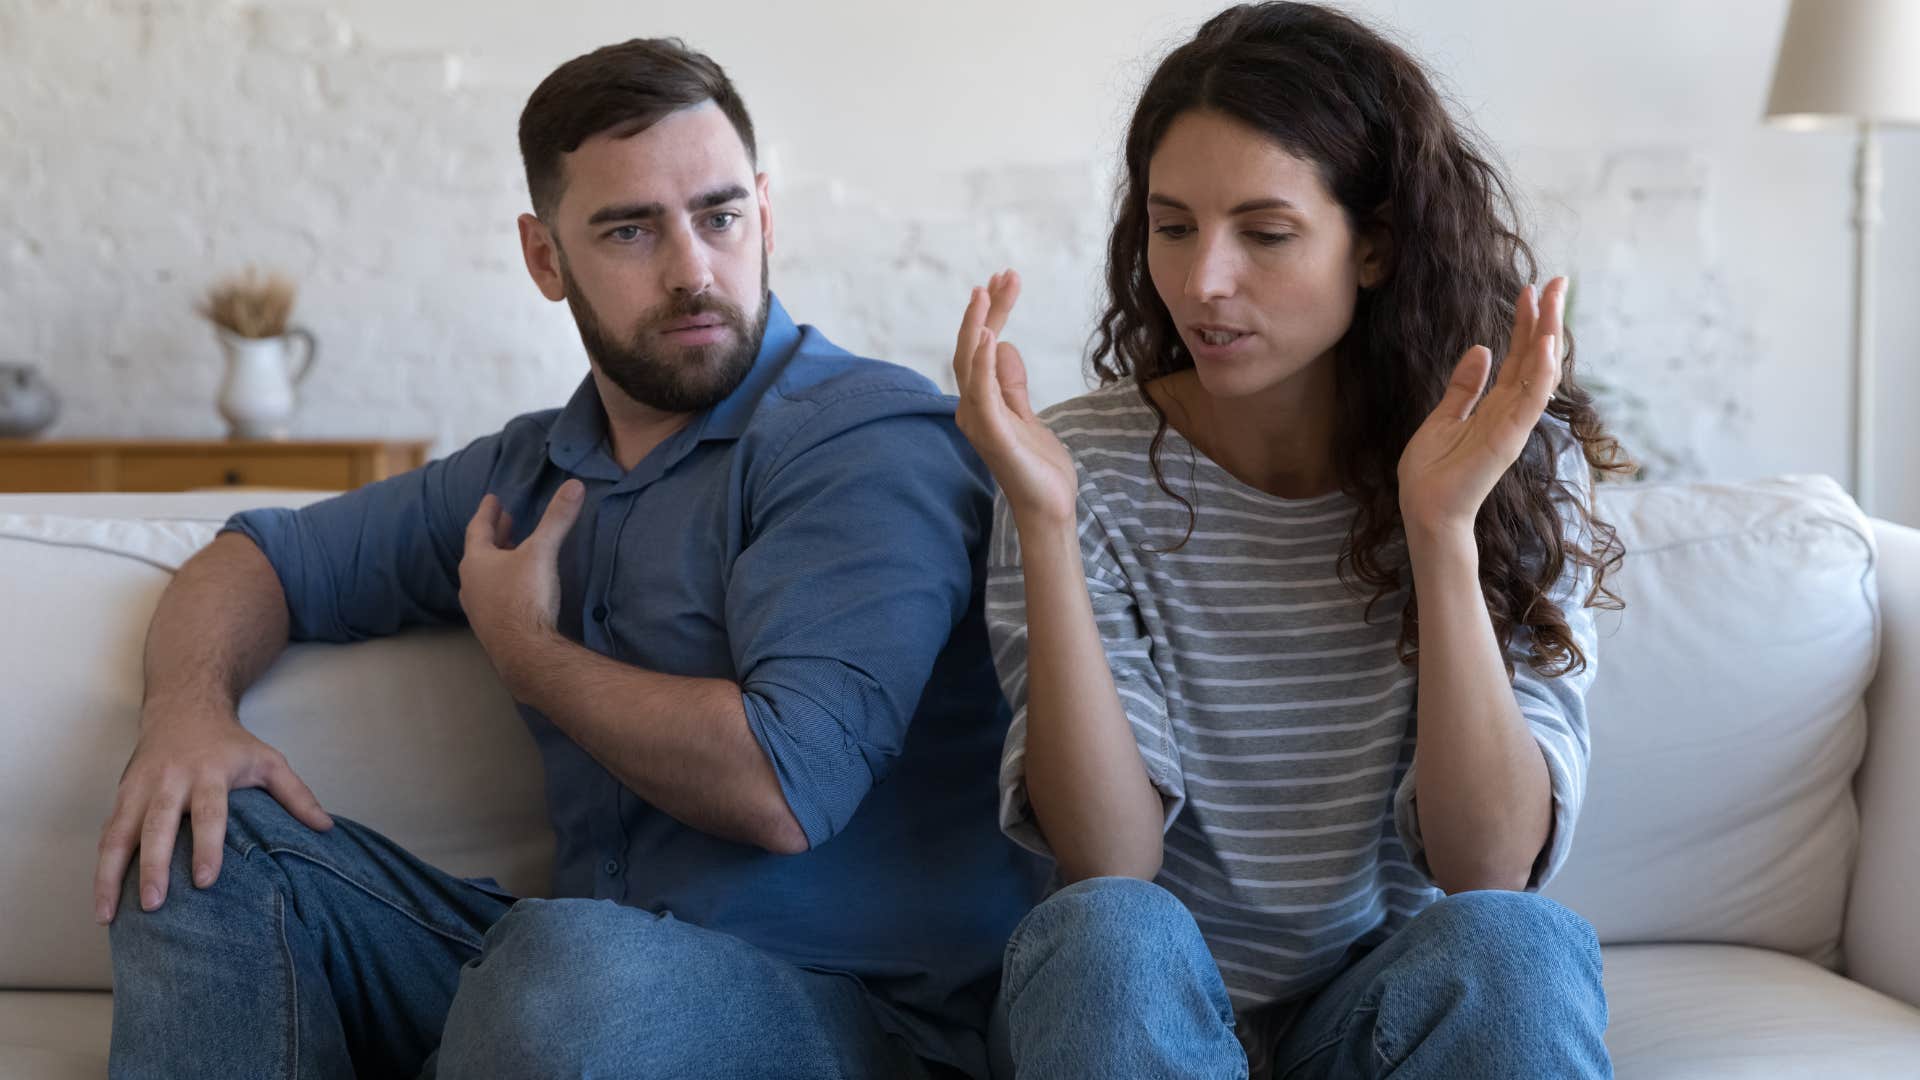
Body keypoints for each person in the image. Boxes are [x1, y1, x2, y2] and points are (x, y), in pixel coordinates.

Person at [97, 37, 1039, 1080]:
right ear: (545, 258)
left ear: (765, 215)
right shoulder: (528, 470)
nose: (693, 271)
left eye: (720, 217)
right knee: (197, 836)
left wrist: (526, 650)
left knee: (571, 969)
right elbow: (255, 559)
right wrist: (185, 716)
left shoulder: (864, 441)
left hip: (856, 1020)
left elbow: (785, 785)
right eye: (631, 230)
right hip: (569, 995)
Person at [951, 4, 1629, 1077]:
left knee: (1517, 945)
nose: (1203, 283)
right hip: (1140, 1010)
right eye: (1173, 228)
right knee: (1108, 937)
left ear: (1377, 246)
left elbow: (1490, 866)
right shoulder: (1076, 465)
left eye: (1265, 234)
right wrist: (1046, 522)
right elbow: (1106, 864)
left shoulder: (1506, 462)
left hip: (1373, 1016)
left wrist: (1441, 530)